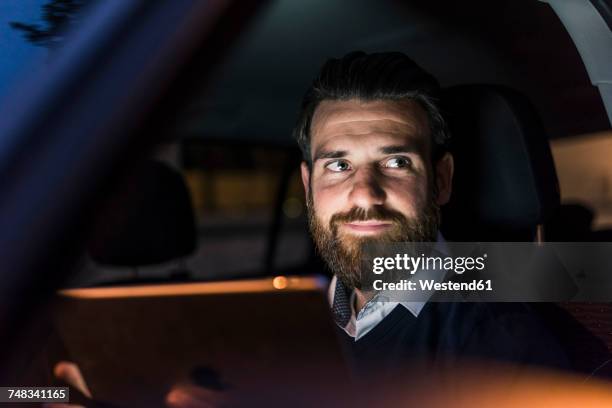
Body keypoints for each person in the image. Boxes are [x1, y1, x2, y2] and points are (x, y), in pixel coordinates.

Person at [54, 50, 582, 406]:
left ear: (441, 181)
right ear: (307, 185)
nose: (364, 195)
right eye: (338, 165)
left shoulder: (515, 343)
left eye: (396, 163)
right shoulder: (269, 319)